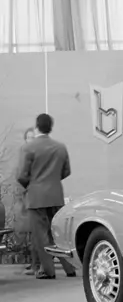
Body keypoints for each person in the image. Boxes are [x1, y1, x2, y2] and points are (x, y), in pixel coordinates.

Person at [16, 114, 77, 279]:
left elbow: (21, 175)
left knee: (41, 235)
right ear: (51, 127)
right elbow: (66, 171)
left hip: (36, 198)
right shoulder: (60, 147)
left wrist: (32, 185)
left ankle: (48, 271)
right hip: (56, 195)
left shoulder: (28, 148)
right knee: (56, 233)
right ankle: (69, 268)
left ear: (37, 127)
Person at [17, 127, 40, 275]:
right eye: (28, 137)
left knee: (37, 234)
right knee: (32, 234)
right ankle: (34, 263)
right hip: (27, 198)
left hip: (35, 197)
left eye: (33, 137)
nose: (30, 140)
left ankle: (36, 265)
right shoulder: (25, 154)